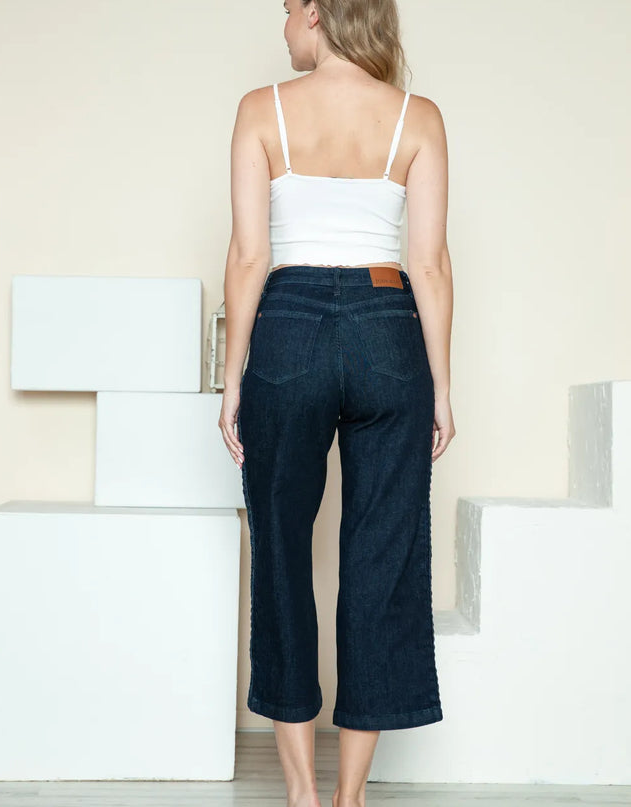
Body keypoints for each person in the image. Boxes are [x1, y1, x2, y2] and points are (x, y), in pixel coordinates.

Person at [219, 1, 455, 805]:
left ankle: (301, 794)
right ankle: (351, 796)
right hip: (389, 327)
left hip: (286, 327)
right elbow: (428, 264)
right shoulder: (416, 118)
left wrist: (233, 377)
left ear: (316, 12)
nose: (283, 24)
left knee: (282, 551)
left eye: (287, 9)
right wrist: (442, 385)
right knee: (379, 560)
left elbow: (251, 255)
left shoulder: (261, 111)